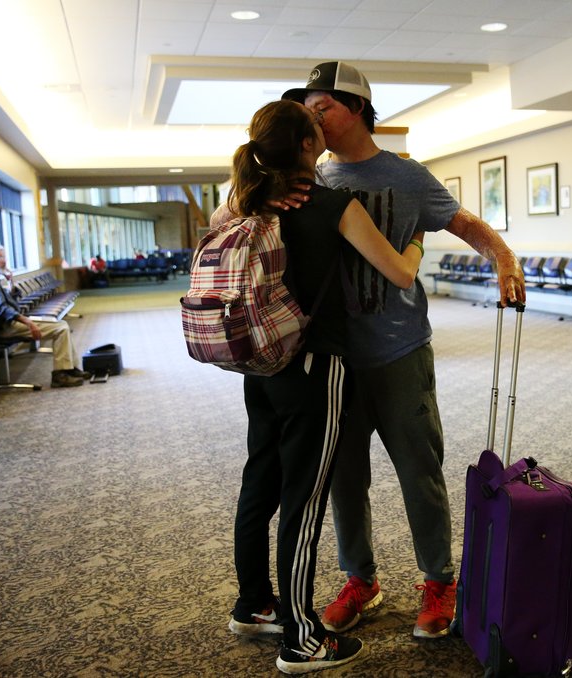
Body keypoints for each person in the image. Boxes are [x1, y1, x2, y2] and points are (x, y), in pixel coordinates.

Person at [282, 62, 527, 639]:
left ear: (358, 110)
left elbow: (464, 223)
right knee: (344, 478)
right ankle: (360, 579)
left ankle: (439, 581)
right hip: (336, 358)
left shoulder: (406, 176)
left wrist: (503, 257)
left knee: (420, 472)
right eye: (307, 110)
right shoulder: (309, 177)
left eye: (323, 107)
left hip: (400, 352)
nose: (313, 119)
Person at [224, 100, 426, 674]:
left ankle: (254, 604)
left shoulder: (248, 201)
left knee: (259, 486)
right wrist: (417, 240)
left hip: (260, 365)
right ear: (309, 147)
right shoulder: (333, 204)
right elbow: (400, 272)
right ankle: (302, 637)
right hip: (315, 367)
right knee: (306, 502)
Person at [0, 245, 88, 388]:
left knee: (62, 324)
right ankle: (61, 375)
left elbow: (12, 305)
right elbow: (2, 309)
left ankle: (70, 368)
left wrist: (10, 282)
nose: (4, 260)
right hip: (6, 327)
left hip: (9, 323)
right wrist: (28, 322)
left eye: (4, 256)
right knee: (61, 328)